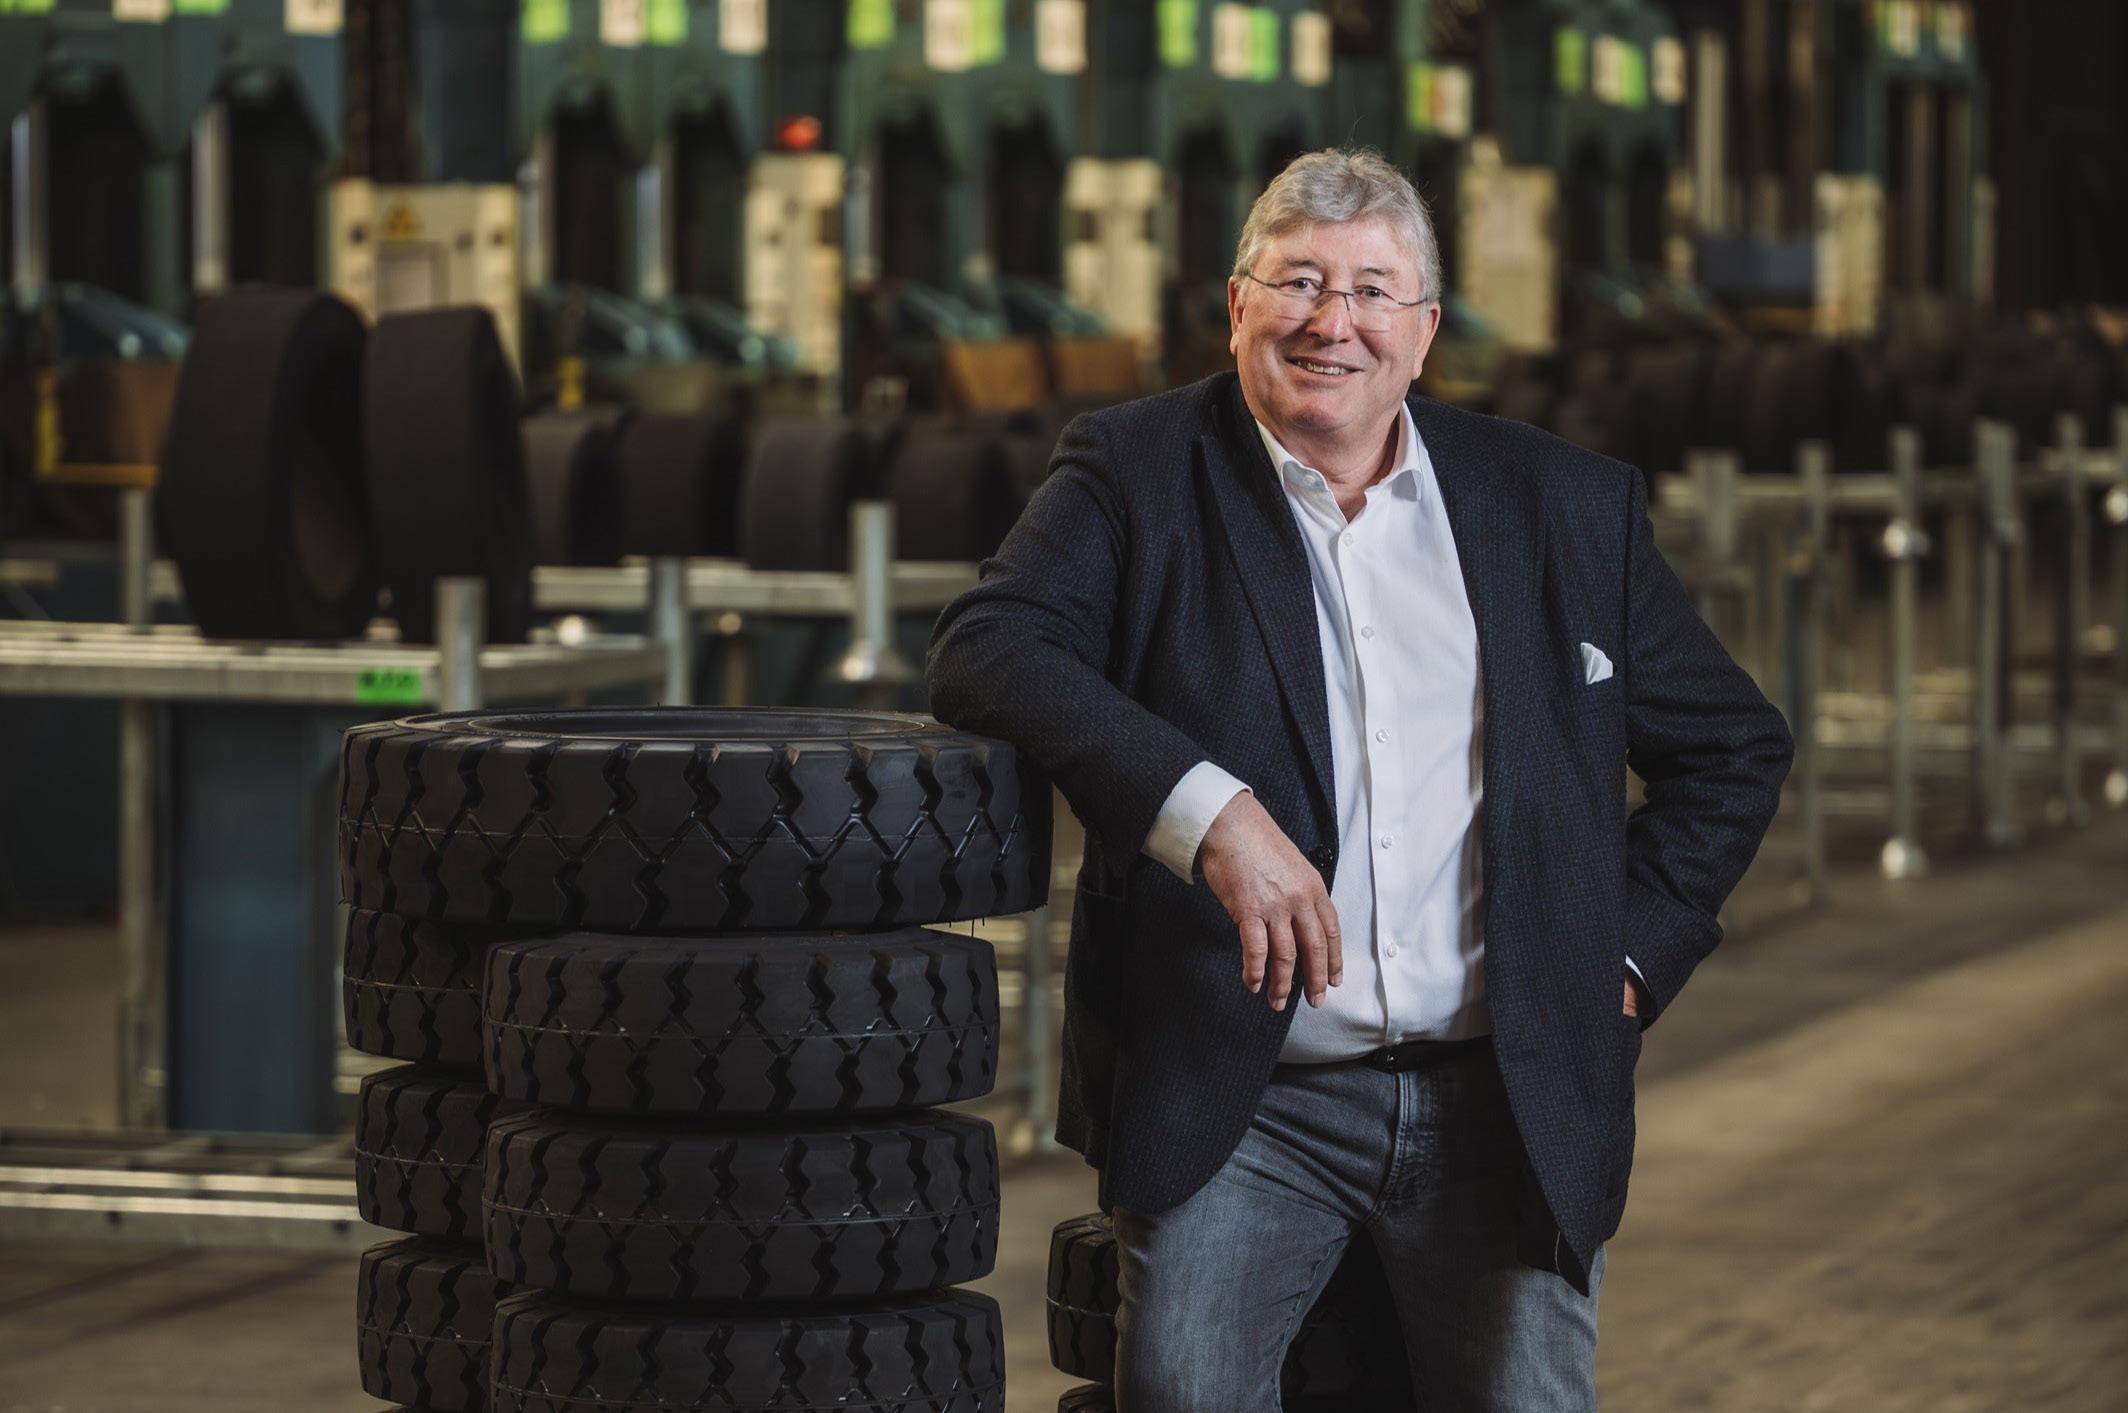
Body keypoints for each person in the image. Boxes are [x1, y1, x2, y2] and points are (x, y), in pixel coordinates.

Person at [926, 148, 1792, 1410]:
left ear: (1425, 331)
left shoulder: (1557, 504)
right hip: (1244, 1104)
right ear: (1237, 307)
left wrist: (1620, 956)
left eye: (1373, 291)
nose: (1332, 322)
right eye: (1298, 282)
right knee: (1180, 1395)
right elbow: (990, 648)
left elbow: (1733, 747)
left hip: (1503, 1100)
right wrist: (1210, 813)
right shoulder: (1137, 471)